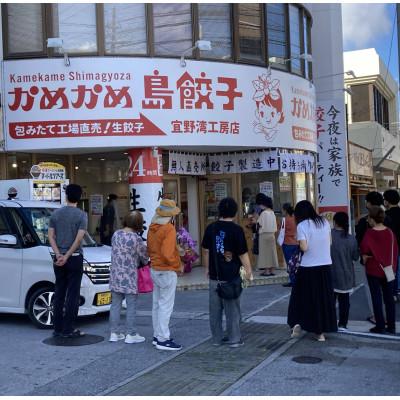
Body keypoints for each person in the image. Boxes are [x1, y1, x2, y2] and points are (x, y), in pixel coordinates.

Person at [202, 197, 252, 348]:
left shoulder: (211, 228)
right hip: (231, 277)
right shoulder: (237, 230)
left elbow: (205, 250)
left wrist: (207, 268)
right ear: (235, 212)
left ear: (220, 211)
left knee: (214, 310)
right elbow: (242, 254)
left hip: (214, 276)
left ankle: (216, 339)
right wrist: (248, 270)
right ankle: (234, 339)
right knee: (232, 310)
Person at [287, 200, 337, 342]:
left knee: (300, 298)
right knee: (322, 300)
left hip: (308, 267)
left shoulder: (302, 225)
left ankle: (296, 323)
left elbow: (304, 247)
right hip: (325, 266)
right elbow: (330, 242)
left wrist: (299, 242)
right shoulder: (324, 222)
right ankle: (320, 333)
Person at [48, 184, 88, 338]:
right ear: (79, 197)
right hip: (75, 258)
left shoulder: (55, 214)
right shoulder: (81, 215)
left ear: (66, 196)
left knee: (59, 291)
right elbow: (79, 239)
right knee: (72, 293)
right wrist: (68, 255)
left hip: (58, 259)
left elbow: (51, 236)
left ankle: (57, 328)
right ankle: (68, 329)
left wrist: (59, 254)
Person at [147, 199, 183, 351]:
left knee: (157, 304)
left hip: (155, 268)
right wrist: (178, 264)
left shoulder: (152, 227)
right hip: (166, 270)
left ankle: (157, 335)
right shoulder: (168, 229)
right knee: (165, 306)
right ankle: (163, 338)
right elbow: (168, 253)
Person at [109, 211, 148, 344]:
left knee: (115, 305)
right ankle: (130, 334)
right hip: (130, 277)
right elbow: (144, 257)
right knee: (131, 306)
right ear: (138, 224)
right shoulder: (136, 239)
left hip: (115, 275)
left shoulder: (116, 234)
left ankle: (114, 333)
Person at [360, 206, 398, 334]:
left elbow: (364, 249)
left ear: (372, 219)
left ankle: (380, 325)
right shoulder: (390, 232)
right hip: (389, 270)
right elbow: (395, 251)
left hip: (373, 269)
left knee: (376, 297)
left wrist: (365, 257)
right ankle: (391, 326)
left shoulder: (369, 233)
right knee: (389, 299)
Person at [331, 212, 359, 332]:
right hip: (346, 274)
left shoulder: (329, 235)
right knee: (344, 301)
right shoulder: (351, 238)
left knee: (330, 300)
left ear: (335, 222)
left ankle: (330, 322)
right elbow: (355, 257)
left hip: (330, 273)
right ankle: (343, 324)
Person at [255, 193, 279, 276]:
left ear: (262, 204)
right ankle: (272, 270)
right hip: (272, 235)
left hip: (264, 235)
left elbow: (259, 224)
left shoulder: (263, 213)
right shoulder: (272, 212)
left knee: (265, 253)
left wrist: (256, 219)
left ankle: (267, 271)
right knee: (272, 252)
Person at [383, 189, 400, 298]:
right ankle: (397, 290)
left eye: (384, 199)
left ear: (387, 201)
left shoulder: (385, 215)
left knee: (390, 269)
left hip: (389, 248)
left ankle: (391, 291)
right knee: (399, 270)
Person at [280, 203, 298, 287]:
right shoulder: (296, 218)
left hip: (287, 243)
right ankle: (296, 280)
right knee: (296, 263)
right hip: (296, 243)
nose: (282, 211)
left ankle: (293, 281)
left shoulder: (285, 219)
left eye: (282, 209)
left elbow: (282, 231)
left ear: (285, 210)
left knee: (289, 263)